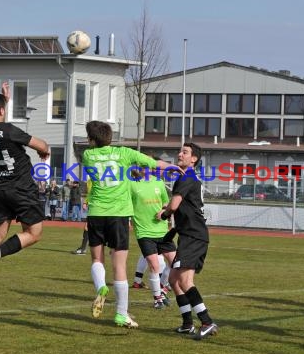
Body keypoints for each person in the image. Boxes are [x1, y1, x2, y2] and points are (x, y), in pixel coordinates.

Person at [83, 120, 172, 328]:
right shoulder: (124, 153)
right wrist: (174, 167)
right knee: (119, 265)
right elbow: (153, 163)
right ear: (111, 138)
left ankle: (100, 287)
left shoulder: (88, 156)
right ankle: (121, 314)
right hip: (119, 214)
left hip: (96, 212)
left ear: (91, 139)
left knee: (97, 258)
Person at [0, 81, 50, 305]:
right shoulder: (9, 130)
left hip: (2, 188)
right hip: (22, 187)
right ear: (2, 111)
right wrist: (45, 152)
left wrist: (4, 101)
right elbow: (41, 145)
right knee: (34, 233)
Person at [156, 143, 218, 340]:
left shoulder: (186, 176)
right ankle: (187, 324)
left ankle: (207, 321)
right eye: (180, 151)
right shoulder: (187, 177)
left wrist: (164, 213)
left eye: (185, 152)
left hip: (193, 235)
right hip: (190, 235)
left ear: (194, 159)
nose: (179, 154)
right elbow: (182, 205)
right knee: (174, 280)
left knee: (185, 281)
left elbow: (174, 206)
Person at [130, 168, 176, 309]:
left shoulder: (159, 183)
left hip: (162, 231)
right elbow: (127, 205)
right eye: (144, 165)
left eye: (150, 165)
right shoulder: (132, 185)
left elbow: (165, 202)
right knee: (154, 266)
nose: (148, 168)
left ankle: (162, 290)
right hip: (144, 232)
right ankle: (157, 299)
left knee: (175, 263)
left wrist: (164, 210)